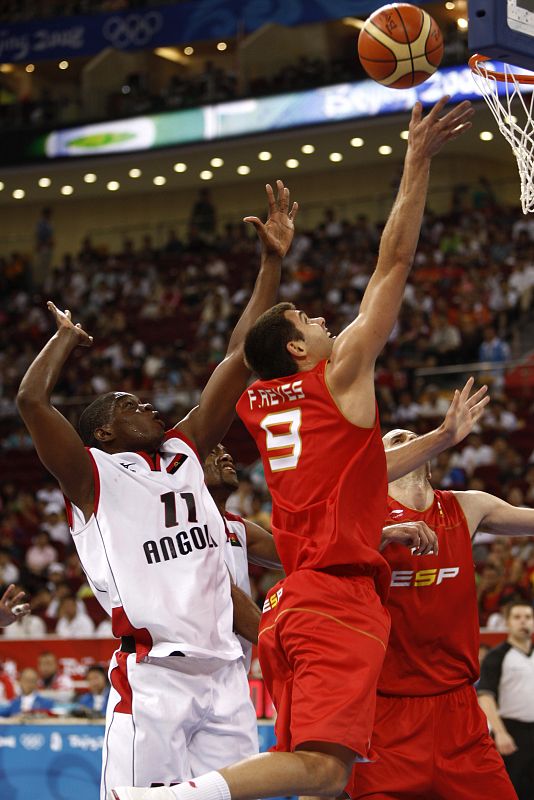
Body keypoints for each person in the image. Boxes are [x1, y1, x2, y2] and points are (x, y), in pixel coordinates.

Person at [110, 96, 475, 800]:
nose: (323, 318)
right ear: (298, 349)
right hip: (336, 604)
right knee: (325, 770)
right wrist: (416, 162)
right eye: (308, 318)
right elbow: (394, 260)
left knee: (321, 782)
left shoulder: (259, 399)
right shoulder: (340, 379)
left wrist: (388, 519)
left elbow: (239, 358)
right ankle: (168, 798)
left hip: (290, 607)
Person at [16, 182, 297, 799]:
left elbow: (240, 357)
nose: (146, 403)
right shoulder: (92, 478)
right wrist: (63, 339)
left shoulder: (185, 448)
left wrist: (271, 263)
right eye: (128, 404)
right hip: (153, 677)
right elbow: (31, 401)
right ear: (104, 431)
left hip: (225, 675)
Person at [347, 424, 534, 799]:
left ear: (429, 464)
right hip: (386, 714)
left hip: (459, 713)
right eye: (396, 441)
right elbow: (311, 554)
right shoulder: (357, 517)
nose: (409, 443)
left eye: (415, 439)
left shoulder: (469, 506)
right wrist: (381, 533)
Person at [478, 602, 534, 800]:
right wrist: (500, 732)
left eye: (528, 617)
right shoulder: (497, 656)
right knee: (514, 789)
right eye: (517, 617)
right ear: (508, 623)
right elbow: (485, 695)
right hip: (512, 731)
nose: (523, 622)